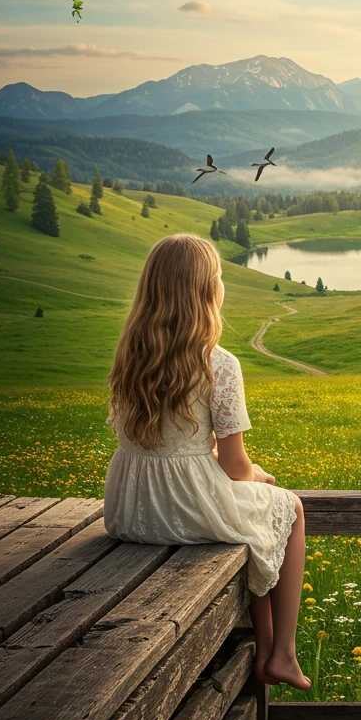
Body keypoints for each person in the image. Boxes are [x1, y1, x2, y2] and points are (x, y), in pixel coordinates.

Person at [103, 233, 310, 690]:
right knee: (288, 509)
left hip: (128, 509)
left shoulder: (131, 355)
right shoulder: (217, 362)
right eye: (217, 278)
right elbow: (235, 464)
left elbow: (168, 442)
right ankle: (285, 653)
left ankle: (267, 652)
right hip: (181, 511)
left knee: (254, 521)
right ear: (206, 291)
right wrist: (254, 475)